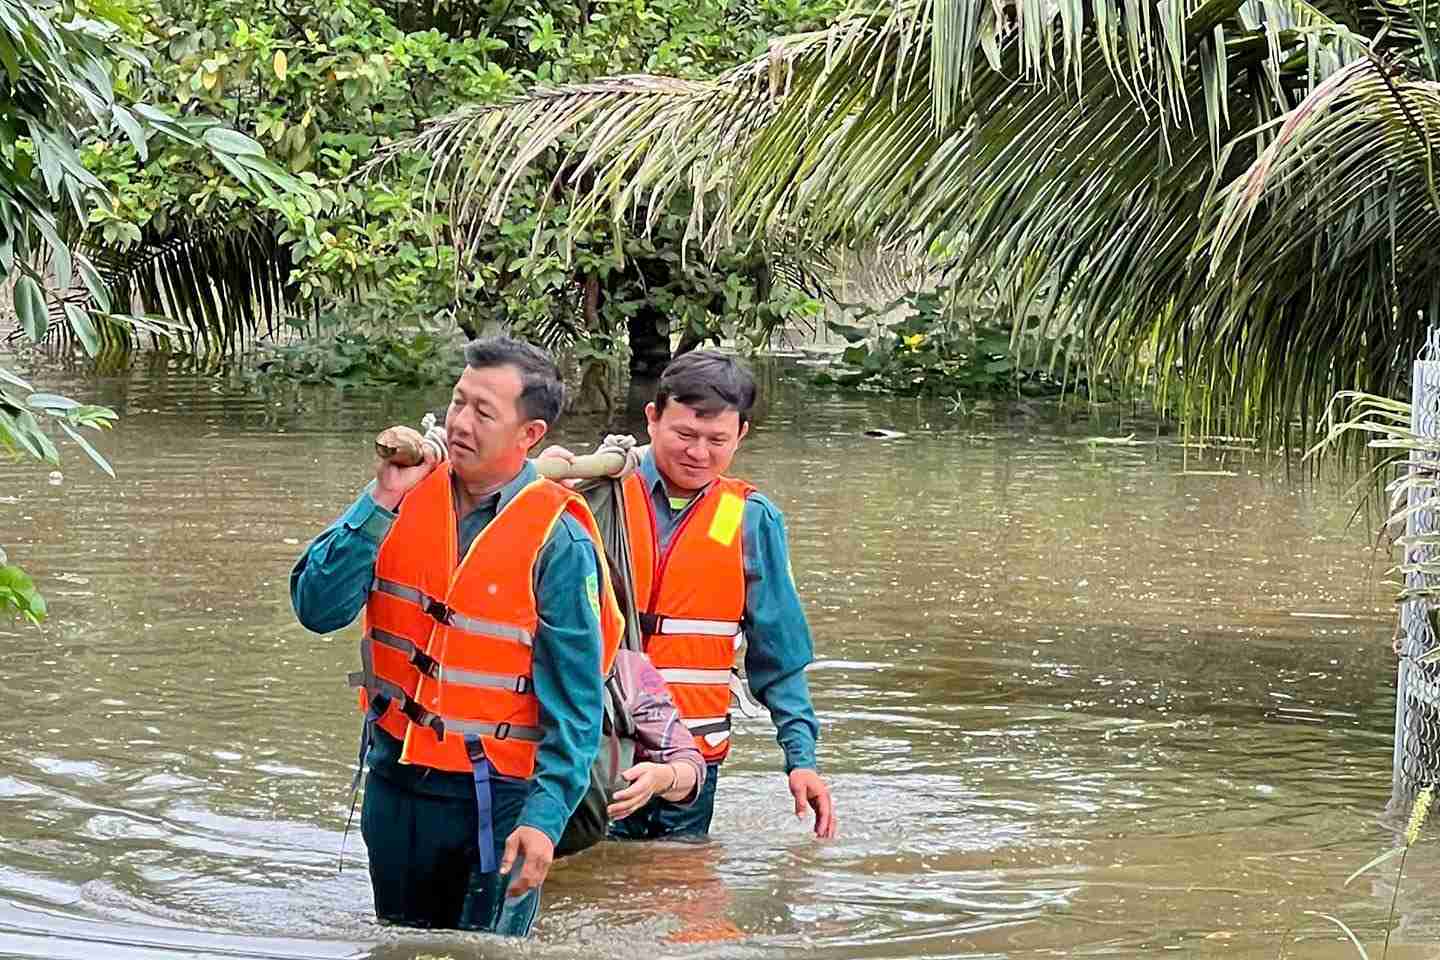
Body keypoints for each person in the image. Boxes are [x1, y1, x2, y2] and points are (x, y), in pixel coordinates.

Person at [289, 336, 625, 935]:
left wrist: (545, 821)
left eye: (483, 412)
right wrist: (381, 499)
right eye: (457, 402)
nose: (461, 422)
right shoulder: (399, 497)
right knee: (397, 942)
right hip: (396, 780)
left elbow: (577, 709)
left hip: (498, 800)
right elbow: (316, 608)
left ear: (530, 435)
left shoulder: (559, 540)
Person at [548, 351, 838, 841]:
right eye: (684, 435)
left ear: (741, 435)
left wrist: (801, 761)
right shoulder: (592, 494)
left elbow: (779, 655)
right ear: (652, 418)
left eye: (716, 440)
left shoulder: (750, 519)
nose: (699, 453)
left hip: (689, 770)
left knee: (678, 894)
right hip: (589, 751)